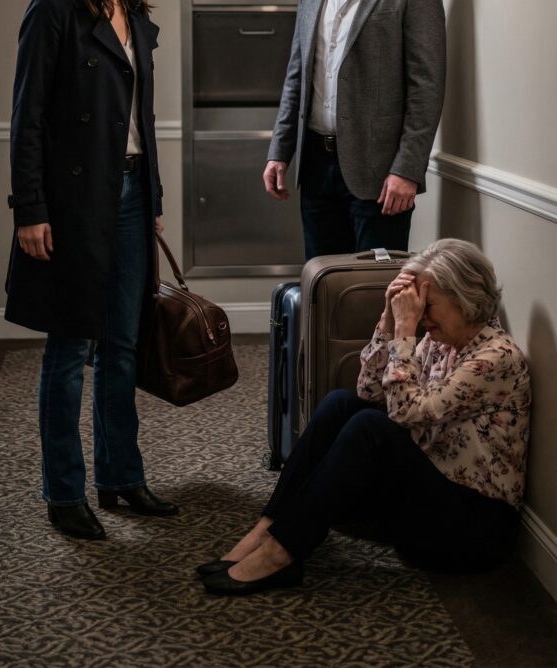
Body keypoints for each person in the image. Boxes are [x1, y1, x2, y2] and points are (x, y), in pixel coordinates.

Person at [197, 239, 531, 595]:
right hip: (435, 498)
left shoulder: (495, 358)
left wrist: (405, 332)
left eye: (428, 305)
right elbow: (369, 390)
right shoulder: (443, 340)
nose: (422, 317)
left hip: (474, 531)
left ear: (465, 298)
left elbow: (404, 413)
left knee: (370, 428)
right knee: (341, 404)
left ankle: (281, 552)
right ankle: (270, 527)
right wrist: (388, 320)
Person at [5, 0, 179, 540]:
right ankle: (63, 491)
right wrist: (30, 209)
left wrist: (152, 198)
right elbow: (27, 120)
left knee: (123, 344)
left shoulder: (132, 9)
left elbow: (142, 120)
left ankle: (121, 477)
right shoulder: (53, 8)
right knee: (71, 345)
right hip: (75, 202)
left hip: (131, 196)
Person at [263, 0, 446, 259]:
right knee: (322, 284)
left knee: (372, 290)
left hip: (379, 175)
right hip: (315, 168)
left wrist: (407, 169)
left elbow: (426, 90)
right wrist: (280, 149)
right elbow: (297, 75)